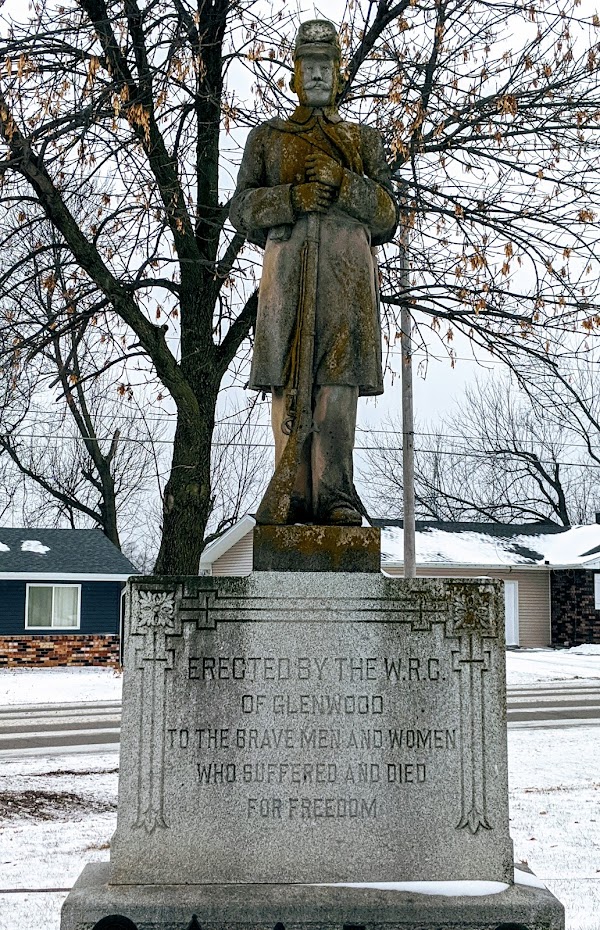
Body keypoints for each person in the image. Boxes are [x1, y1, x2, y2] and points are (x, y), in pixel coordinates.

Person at [230, 19, 397, 526]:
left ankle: (335, 493)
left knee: (338, 388)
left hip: (346, 287)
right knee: (288, 386)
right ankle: (292, 491)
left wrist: (344, 182)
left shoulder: (363, 141)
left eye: (326, 65)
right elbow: (240, 209)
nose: (318, 74)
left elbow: (388, 215)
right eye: (309, 65)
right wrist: (293, 199)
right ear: (295, 75)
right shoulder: (269, 139)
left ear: (339, 74)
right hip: (285, 285)